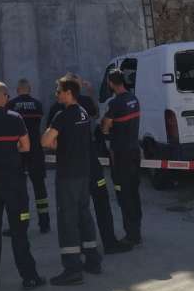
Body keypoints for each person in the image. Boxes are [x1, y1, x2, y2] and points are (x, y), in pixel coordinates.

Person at [46, 74, 131, 255]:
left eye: (59, 90)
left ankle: (82, 247)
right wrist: (91, 93)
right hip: (89, 163)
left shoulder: (57, 109)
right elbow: (96, 115)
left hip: (71, 168)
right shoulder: (83, 104)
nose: (57, 94)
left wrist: (61, 146)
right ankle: (108, 243)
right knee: (98, 204)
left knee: (75, 209)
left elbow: (49, 139)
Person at [0, 82, 45, 291]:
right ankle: (29, 277)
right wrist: (12, 147)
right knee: (19, 230)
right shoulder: (15, 119)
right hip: (13, 181)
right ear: (5, 97)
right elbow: (26, 147)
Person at [42, 75, 101, 286]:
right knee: (84, 215)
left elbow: (45, 141)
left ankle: (72, 268)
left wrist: (53, 138)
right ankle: (92, 260)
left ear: (68, 93)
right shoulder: (83, 113)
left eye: (59, 91)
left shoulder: (63, 115)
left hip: (68, 175)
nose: (56, 94)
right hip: (83, 173)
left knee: (67, 219)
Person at [101, 69, 142, 246]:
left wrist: (105, 129)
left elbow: (105, 127)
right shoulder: (134, 99)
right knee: (134, 192)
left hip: (120, 154)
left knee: (123, 194)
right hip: (134, 151)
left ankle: (131, 235)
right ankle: (137, 230)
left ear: (111, 83)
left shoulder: (115, 103)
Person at [8, 78, 50, 233]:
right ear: (29, 89)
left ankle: (20, 225)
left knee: (18, 189)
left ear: (18, 90)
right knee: (40, 187)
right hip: (35, 149)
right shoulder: (37, 104)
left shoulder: (11, 105)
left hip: (18, 150)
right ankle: (44, 223)